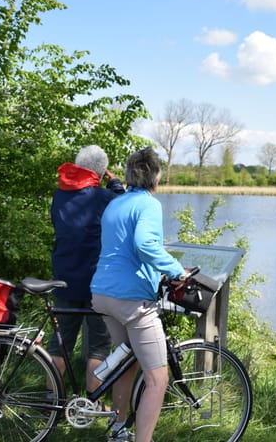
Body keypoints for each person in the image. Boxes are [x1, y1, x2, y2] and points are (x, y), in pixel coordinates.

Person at [91, 146, 189, 442]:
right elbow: (145, 244)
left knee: (127, 364)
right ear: (155, 180)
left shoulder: (116, 203)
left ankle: (119, 431)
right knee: (158, 379)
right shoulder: (148, 205)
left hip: (103, 293)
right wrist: (176, 271)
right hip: (131, 300)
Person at [47, 144, 125, 400]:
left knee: (60, 342)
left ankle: (52, 400)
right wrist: (114, 184)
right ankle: (91, 402)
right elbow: (122, 205)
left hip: (64, 280)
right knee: (99, 346)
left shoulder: (59, 196)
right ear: (101, 173)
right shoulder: (103, 197)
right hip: (95, 283)